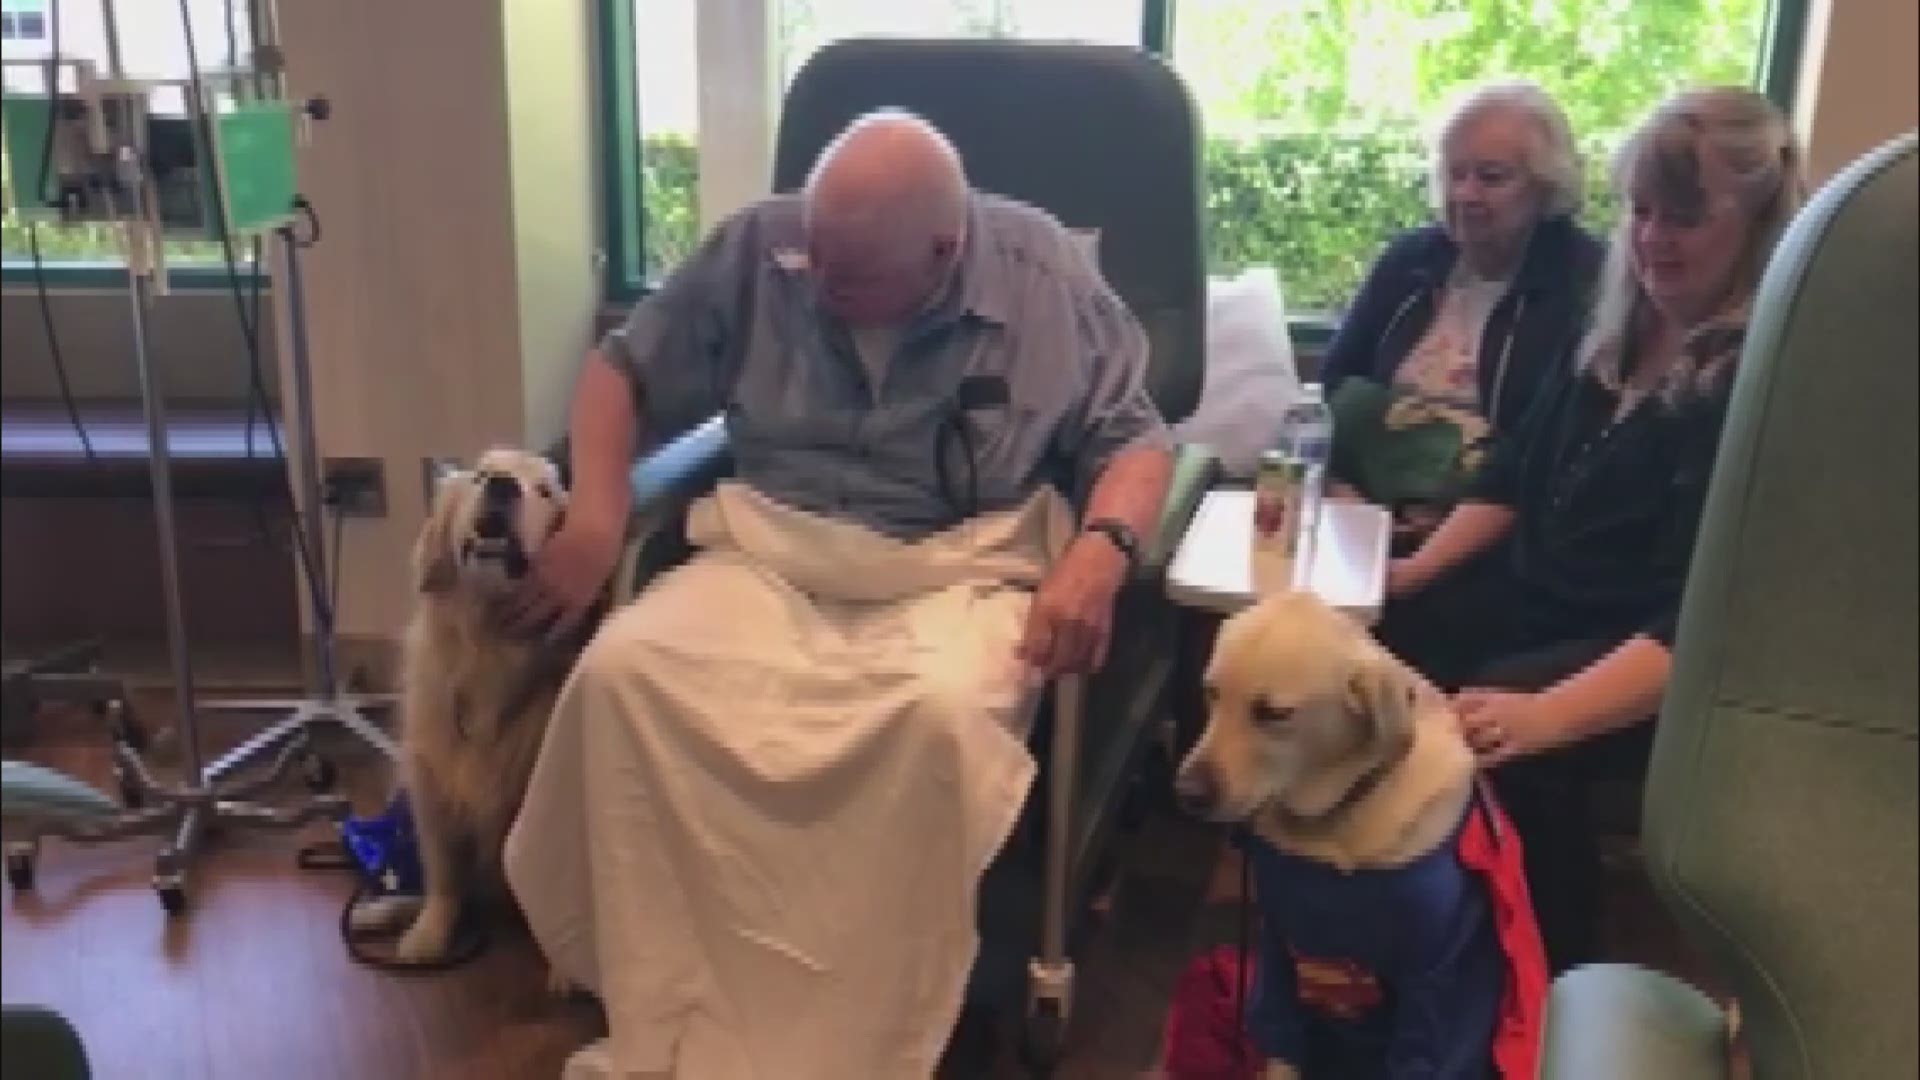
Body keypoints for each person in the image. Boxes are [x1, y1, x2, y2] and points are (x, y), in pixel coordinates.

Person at [497, 109, 1174, 1078]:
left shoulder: (1042, 277)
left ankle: (858, 1028)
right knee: (623, 674)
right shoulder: (767, 247)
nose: (816, 280)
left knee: (936, 721)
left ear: (946, 248)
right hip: (775, 546)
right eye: (812, 256)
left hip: (958, 564)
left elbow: (1136, 440)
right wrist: (600, 515)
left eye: (848, 274)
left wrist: (1101, 552)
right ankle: (666, 984)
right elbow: (619, 371)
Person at [1375, 87, 1807, 974]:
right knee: (1381, 641)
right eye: (1640, 211)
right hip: (1545, 601)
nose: (1651, 238)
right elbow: (1512, 483)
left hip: (1647, 665)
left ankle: (1548, 986)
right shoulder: (1616, 330)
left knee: (1503, 733)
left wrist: (1547, 716)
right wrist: (1411, 576)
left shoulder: (1759, 386)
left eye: (1683, 217)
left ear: (1760, 221)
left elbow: (1702, 624)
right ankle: (1403, 924)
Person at [1320, 81, 1604, 545]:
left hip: (1492, 537)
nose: (1466, 194)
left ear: (1545, 187)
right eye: (1456, 174)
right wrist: (1341, 493)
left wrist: (1444, 529)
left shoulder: (1583, 284)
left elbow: (1544, 456)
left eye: (1491, 177)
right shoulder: (1408, 262)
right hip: (1361, 510)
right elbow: (1330, 389)